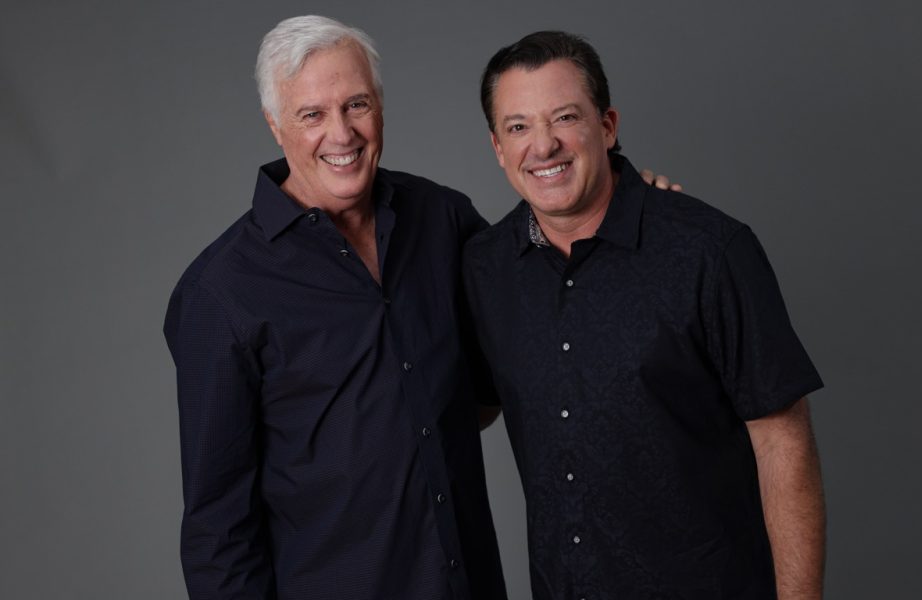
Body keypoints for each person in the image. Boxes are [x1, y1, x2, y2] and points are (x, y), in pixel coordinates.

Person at [463, 31, 826, 599]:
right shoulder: (485, 269)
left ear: (606, 126)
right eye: (518, 127)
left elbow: (784, 443)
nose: (543, 146)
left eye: (564, 118)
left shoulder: (707, 250)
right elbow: (476, 403)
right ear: (497, 147)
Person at [162, 16, 508, 599]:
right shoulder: (220, 292)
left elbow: (541, 297)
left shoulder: (441, 218)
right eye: (312, 115)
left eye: (356, 104)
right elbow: (216, 529)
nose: (342, 133)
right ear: (275, 126)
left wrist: (618, 200)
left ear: (379, 106)